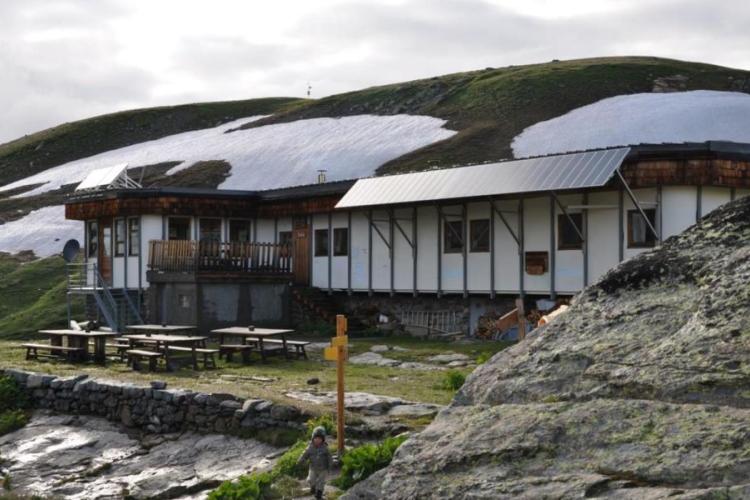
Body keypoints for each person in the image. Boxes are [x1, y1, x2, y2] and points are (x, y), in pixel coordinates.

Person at [297, 426, 333, 499]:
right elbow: (305, 454)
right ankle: (313, 487)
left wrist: (330, 465)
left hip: (323, 469)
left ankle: (319, 494)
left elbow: (329, 457)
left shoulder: (325, 448)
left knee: (321, 482)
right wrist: (301, 460)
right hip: (312, 467)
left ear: (323, 440)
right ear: (313, 438)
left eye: (320, 439)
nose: (317, 440)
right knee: (311, 480)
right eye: (316, 438)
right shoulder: (310, 447)